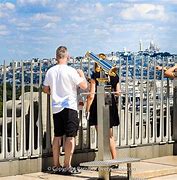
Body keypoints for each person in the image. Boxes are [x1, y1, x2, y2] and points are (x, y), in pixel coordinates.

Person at [43, 46, 87, 174]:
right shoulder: (71, 71)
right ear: (67, 57)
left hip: (56, 107)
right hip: (69, 106)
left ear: (56, 57)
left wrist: (54, 92)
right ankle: (67, 166)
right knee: (70, 137)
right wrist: (82, 75)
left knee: (57, 136)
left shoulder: (50, 71)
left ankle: (56, 165)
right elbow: (84, 86)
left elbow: (45, 89)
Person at [86, 62, 121, 162]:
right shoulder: (114, 75)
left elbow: (91, 95)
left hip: (98, 103)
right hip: (109, 103)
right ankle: (114, 160)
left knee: (101, 134)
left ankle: (103, 160)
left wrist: (87, 109)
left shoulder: (95, 75)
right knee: (110, 135)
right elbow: (118, 92)